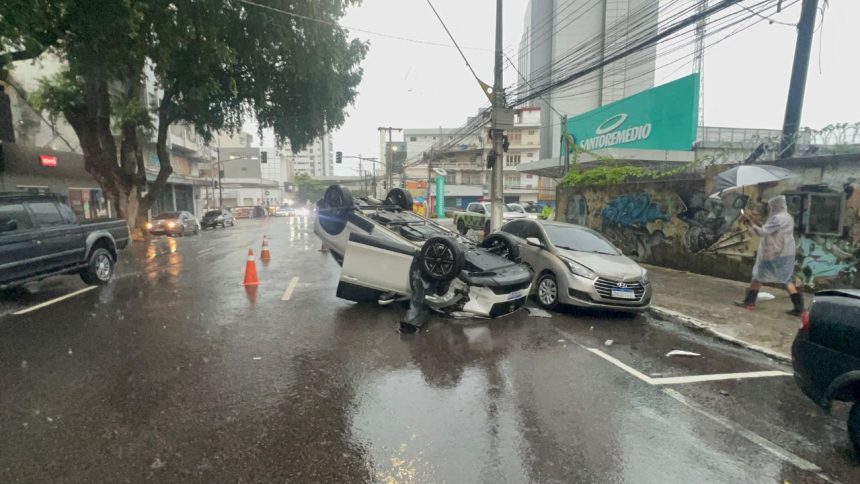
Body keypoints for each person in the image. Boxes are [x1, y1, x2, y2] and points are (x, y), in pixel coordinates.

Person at [734, 195, 804, 315]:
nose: (770, 209)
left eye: (771, 207)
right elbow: (769, 228)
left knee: (758, 276)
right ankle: (799, 307)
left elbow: (762, 232)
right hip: (786, 253)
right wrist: (753, 220)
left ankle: (749, 302)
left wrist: (749, 223)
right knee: (786, 279)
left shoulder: (776, 218)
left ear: (775, 206)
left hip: (774, 253)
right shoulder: (787, 217)